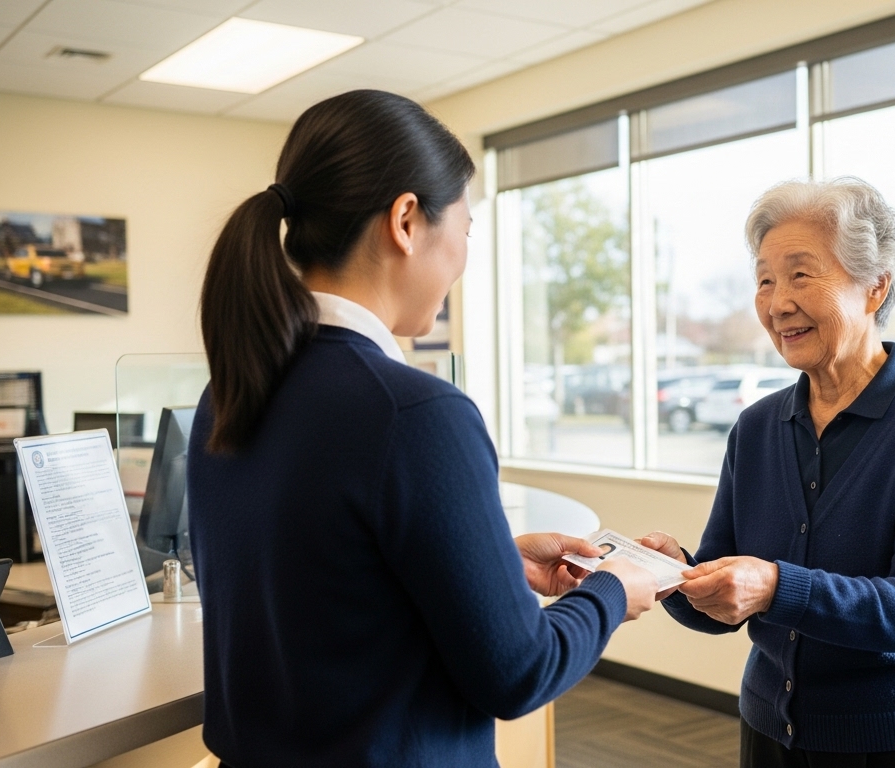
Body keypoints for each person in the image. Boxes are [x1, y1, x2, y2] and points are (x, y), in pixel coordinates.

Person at [187, 90, 659, 768]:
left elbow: (317, 584)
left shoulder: (227, 395)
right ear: (407, 220)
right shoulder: (415, 414)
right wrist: (615, 590)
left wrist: (487, 560)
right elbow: (520, 672)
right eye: (466, 228)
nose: (465, 255)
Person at [641, 178, 895, 767]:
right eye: (764, 280)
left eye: (801, 275)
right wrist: (678, 575)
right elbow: (732, 589)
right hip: (771, 732)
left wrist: (774, 586)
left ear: (875, 287)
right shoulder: (755, 427)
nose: (777, 303)